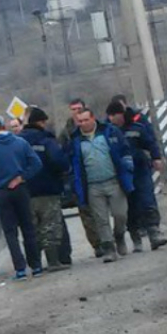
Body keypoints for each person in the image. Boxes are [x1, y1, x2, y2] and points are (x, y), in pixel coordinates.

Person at [0, 114, 43, 279]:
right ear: (5, 126)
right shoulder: (20, 143)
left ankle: (20, 269)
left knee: (10, 232)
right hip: (20, 189)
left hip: (2, 192)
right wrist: (21, 177)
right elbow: (36, 164)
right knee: (28, 228)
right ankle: (36, 266)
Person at [68, 107, 134, 262]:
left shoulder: (109, 132)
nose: (83, 123)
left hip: (114, 181)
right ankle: (109, 249)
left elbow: (124, 150)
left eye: (86, 120)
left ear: (93, 119)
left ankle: (119, 235)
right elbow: (73, 163)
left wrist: (128, 167)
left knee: (120, 214)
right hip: (92, 186)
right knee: (101, 219)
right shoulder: (75, 140)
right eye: (80, 121)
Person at [107, 99, 167, 252]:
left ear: (120, 114)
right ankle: (135, 237)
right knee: (130, 207)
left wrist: (156, 158)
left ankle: (154, 233)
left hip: (140, 170)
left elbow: (150, 143)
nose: (112, 118)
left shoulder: (137, 128)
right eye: (110, 115)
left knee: (147, 201)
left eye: (114, 115)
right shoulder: (109, 132)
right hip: (122, 175)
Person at [20, 107, 69, 270]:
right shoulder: (46, 140)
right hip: (48, 189)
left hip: (25, 191)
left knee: (31, 229)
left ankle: (35, 265)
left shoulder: (18, 141)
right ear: (41, 122)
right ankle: (53, 261)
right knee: (50, 226)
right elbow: (58, 161)